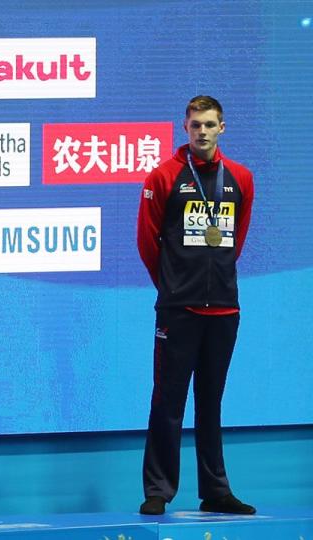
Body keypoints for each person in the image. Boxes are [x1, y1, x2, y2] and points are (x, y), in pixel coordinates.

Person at [136, 95, 255, 515]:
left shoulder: (240, 178)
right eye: (194, 125)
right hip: (178, 309)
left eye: (209, 125)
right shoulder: (163, 178)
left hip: (224, 309)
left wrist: (214, 280)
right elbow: (148, 243)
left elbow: (234, 240)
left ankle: (216, 491)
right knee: (168, 401)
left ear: (222, 127)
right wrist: (173, 286)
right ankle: (158, 490)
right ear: (184, 129)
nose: (201, 132)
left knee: (211, 401)